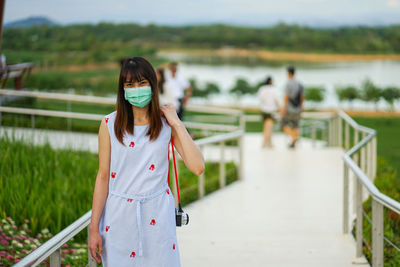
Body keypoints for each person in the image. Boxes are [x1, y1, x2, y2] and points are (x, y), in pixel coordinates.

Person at [88, 57, 204, 266]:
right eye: (130, 84)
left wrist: (177, 122)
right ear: (122, 89)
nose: (136, 89)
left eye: (142, 83)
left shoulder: (165, 125)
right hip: (119, 217)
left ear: (153, 84)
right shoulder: (109, 124)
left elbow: (197, 167)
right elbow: (103, 176)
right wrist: (94, 227)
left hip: (157, 214)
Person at [281, 66, 305, 148]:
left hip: (289, 109)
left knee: (283, 125)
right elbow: (302, 96)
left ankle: (294, 137)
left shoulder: (288, 83)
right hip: (298, 109)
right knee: (295, 126)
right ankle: (294, 142)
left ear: (288, 73)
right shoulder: (299, 83)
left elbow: (286, 97)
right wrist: (302, 107)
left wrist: (283, 109)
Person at [257, 76, 280, 148]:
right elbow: (276, 100)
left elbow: (260, 99)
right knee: (269, 127)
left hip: (264, 110)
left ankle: (269, 142)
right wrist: (279, 108)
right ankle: (265, 142)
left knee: (266, 127)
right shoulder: (274, 89)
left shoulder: (262, 89)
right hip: (271, 110)